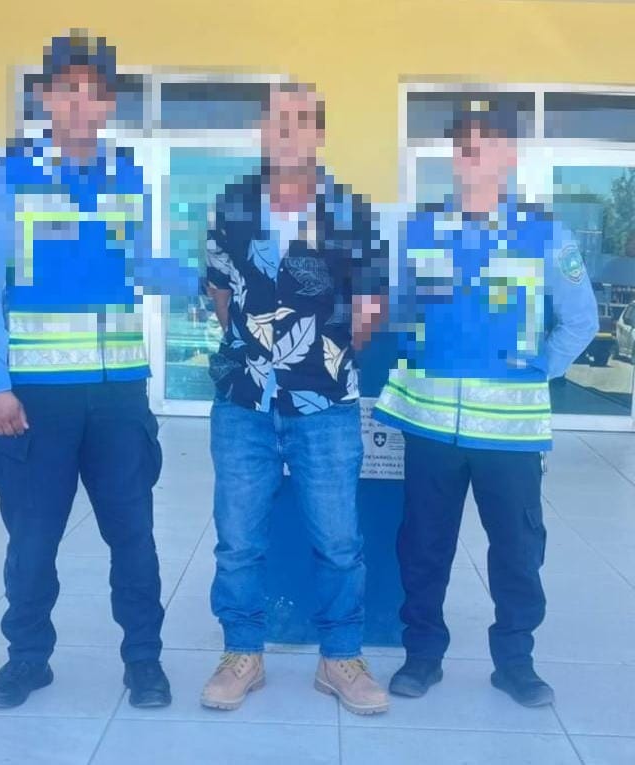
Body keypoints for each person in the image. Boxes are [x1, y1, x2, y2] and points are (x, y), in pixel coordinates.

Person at [0, 30, 196, 710]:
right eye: (67, 91)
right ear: (45, 97)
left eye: (94, 94)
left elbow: (142, 264)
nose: (80, 106)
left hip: (119, 395)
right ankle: (27, 659)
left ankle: (144, 661)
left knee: (135, 538)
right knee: (33, 543)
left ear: (109, 103)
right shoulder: (6, 173)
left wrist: (204, 276)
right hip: (36, 399)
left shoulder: (126, 174)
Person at [373, 100, 599, 707]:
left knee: (518, 551)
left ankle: (515, 662)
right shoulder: (421, 230)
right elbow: (396, 310)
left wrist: (542, 368)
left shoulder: (544, 234)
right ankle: (423, 654)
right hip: (430, 428)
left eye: (487, 143)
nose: (472, 155)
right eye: (463, 145)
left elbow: (581, 319)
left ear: (509, 155)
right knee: (423, 546)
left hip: (509, 430)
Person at [201, 81, 389, 716]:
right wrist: (258, 355)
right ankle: (242, 655)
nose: (288, 131)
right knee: (237, 540)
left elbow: (371, 304)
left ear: (319, 133)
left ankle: (341, 660)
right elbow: (220, 291)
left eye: (302, 119)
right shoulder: (231, 207)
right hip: (243, 403)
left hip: (326, 406)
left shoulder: (351, 211)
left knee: (339, 541)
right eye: (279, 119)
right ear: (263, 129)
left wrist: (322, 359)